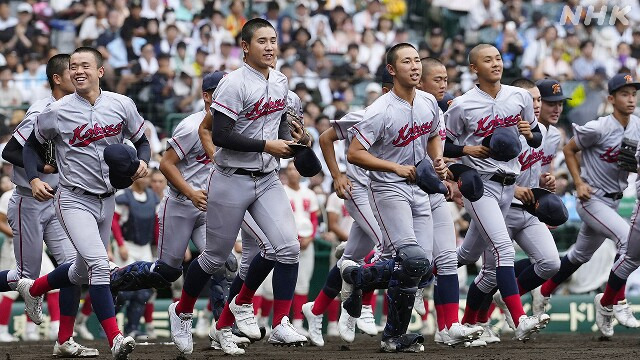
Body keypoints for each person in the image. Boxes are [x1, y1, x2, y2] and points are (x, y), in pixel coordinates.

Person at [168, 19, 309, 355]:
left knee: (288, 248)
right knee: (215, 258)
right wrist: (267, 145)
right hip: (231, 177)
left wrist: (294, 137)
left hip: (267, 178)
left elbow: (278, 126)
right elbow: (221, 135)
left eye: (273, 40)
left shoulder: (281, 81)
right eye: (262, 41)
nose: (270, 47)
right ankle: (182, 310)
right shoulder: (232, 83)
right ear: (245, 46)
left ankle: (278, 323)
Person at [17, 47, 151, 360]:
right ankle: (115, 338)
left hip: (107, 200)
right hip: (73, 197)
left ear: (100, 71)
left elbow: (143, 140)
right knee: (99, 266)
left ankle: (36, 292)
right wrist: (35, 178)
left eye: (85, 65)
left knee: (79, 271)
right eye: (74, 66)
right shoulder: (57, 110)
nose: (78, 70)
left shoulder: (121, 104)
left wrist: (143, 161)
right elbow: (28, 147)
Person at [344, 42, 446, 352]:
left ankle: (356, 276)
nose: (415, 67)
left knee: (423, 267)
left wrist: (438, 159)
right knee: (412, 260)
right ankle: (392, 337)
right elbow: (354, 153)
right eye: (406, 62)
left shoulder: (428, 101)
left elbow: (433, 136)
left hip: (419, 188)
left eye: (417, 60)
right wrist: (394, 168)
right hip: (388, 188)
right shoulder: (379, 110)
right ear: (392, 70)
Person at [445, 44, 549, 342]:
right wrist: (467, 149)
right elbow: (445, 145)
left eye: (499, 58)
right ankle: (519, 319)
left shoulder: (519, 96)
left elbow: (537, 138)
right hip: (481, 185)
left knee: (468, 256)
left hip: (509, 185)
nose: (496, 63)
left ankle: (426, 275)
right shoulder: (462, 105)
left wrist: (530, 133)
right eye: (487, 60)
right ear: (474, 69)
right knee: (504, 249)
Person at [0, 53, 99, 357]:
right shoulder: (42, 109)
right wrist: (42, 168)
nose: (78, 75)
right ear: (58, 79)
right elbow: (11, 151)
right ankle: (30, 291)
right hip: (28, 200)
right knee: (23, 277)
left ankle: (65, 340)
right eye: (72, 71)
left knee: (72, 270)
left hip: (58, 202)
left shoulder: (77, 109)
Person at [537, 73, 640, 338]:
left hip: (613, 202)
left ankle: (544, 291)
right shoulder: (599, 127)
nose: (631, 99)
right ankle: (612, 302)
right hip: (592, 199)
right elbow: (570, 150)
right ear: (611, 98)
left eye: (633, 94)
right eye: (624, 94)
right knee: (628, 243)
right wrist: (579, 182)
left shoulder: (636, 126)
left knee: (579, 256)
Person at [416, 57, 484, 346]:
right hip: (405, 192)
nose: (444, 84)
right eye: (438, 79)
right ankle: (356, 277)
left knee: (446, 260)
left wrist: (452, 180)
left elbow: (443, 157)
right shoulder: (411, 109)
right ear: (420, 81)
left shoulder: (444, 112)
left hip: (434, 192)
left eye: (446, 78)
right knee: (409, 261)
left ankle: (448, 327)